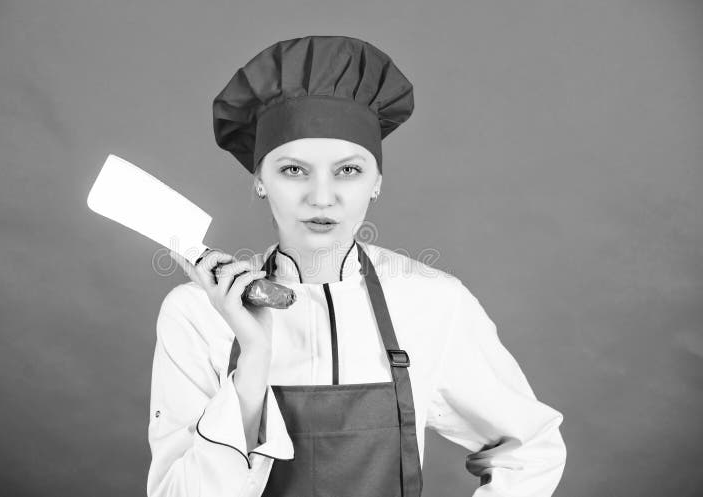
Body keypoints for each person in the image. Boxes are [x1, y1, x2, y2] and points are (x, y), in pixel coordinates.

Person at [146, 35, 566, 497]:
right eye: (293, 170)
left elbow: (531, 449)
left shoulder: (433, 302)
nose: (322, 197)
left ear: (377, 182)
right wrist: (253, 361)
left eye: (348, 170)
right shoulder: (195, 313)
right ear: (259, 180)